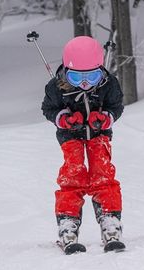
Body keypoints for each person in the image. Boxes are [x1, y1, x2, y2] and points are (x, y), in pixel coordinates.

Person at [41, 35, 125, 254]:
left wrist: (106, 117)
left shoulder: (109, 84)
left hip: (99, 136)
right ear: (67, 72)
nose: (86, 84)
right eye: (78, 78)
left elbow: (117, 105)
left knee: (103, 175)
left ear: (101, 70)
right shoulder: (56, 87)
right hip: (71, 138)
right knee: (73, 176)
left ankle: (110, 223)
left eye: (93, 76)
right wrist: (63, 118)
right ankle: (68, 226)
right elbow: (48, 109)